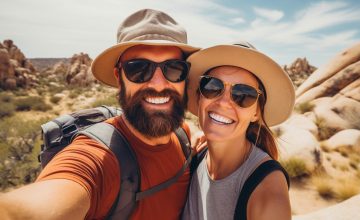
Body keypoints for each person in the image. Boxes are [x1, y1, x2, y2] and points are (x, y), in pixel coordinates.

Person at [0, 9, 199, 219]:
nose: (159, 84)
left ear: (185, 77)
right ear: (119, 77)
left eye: (174, 69)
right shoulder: (95, 158)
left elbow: (185, 127)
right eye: (139, 69)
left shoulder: (182, 135)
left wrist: (197, 133)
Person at [182, 41, 295, 220]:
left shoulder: (267, 189)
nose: (224, 102)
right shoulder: (196, 154)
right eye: (213, 87)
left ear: (256, 112)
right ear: (199, 97)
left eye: (244, 95)